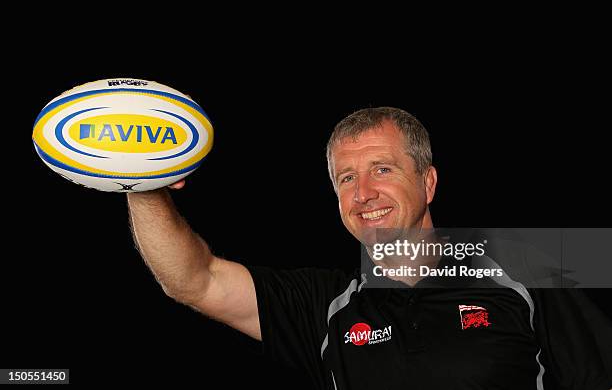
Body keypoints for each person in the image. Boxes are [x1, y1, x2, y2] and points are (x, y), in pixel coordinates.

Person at [127, 107, 611, 389]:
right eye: (346, 178)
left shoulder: (526, 264)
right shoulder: (326, 306)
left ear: (428, 182)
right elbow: (194, 280)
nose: (363, 194)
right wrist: (139, 182)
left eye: (382, 169)